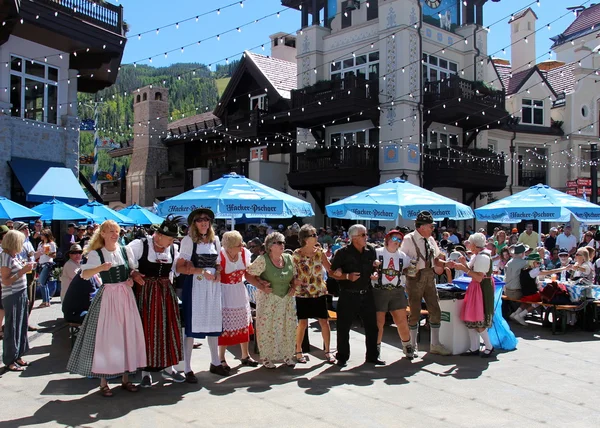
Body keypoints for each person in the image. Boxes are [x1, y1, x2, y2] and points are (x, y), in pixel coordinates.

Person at [67, 220, 147, 397]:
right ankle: (104, 382)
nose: (114, 234)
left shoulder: (125, 251)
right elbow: (85, 274)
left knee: (126, 335)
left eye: (116, 231)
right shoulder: (97, 254)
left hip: (126, 296)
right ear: (102, 233)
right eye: (110, 231)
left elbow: (132, 269)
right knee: (107, 338)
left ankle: (126, 379)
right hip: (108, 297)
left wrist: (133, 276)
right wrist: (100, 268)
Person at [129, 215, 185, 387]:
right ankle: (146, 372)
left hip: (166, 293)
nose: (170, 243)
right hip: (145, 293)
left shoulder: (174, 249)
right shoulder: (140, 245)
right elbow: (126, 262)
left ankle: (169, 367)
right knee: (147, 330)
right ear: (158, 235)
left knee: (168, 329)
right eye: (169, 239)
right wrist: (133, 272)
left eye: (172, 239)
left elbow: (177, 270)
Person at [175, 208, 225, 382]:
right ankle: (188, 368)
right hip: (195, 286)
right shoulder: (189, 241)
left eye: (206, 219)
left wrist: (218, 271)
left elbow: (218, 263)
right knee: (191, 325)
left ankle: (215, 362)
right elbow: (179, 268)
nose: (204, 222)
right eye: (199, 220)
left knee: (213, 322)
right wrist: (201, 271)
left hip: (212, 286)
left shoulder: (215, 240)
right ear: (194, 224)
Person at [329, 224, 383, 367]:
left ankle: (372, 356)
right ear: (354, 238)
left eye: (366, 234)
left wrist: (375, 273)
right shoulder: (342, 253)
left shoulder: (370, 250)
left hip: (366, 293)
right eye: (363, 235)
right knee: (343, 327)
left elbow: (373, 268)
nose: (367, 237)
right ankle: (342, 356)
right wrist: (347, 276)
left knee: (372, 327)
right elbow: (332, 273)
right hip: (348, 294)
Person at [400, 211, 451, 357]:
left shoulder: (430, 239)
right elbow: (401, 260)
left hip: (429, 276)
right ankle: (411, 345)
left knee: (436, 310)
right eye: (430, 226)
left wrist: (446, 262)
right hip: (414, 278)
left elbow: (436, 257)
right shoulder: (409, 239)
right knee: (415, 312)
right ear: (421, 227)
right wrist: (411, 268)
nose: (432, 229)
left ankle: (435, 344)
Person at [245, 232, 299, 368]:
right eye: (279, 242)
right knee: (267, 328)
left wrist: (293, 286)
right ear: (270, 246)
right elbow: (248, 274)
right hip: (268, 300)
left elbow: (295, 276)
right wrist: (260, 286)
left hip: (286, 299)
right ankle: (267, 358)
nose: (282, 245)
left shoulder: (289, 258)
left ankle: (288, 356)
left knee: (288, 327)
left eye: (283, 242)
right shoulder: (263, 259)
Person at [292, 225, 335, 365]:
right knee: (302, 322)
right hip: (303, 293)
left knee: (324, 321)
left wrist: (341, 271)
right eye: (313, 234)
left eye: (316, 234)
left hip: (318, 292)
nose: (316, 236)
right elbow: (291, 273)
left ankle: (328, 351)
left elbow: (330, 269)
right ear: (305, 239)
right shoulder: (296, 254)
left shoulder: (320, 253)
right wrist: (294, 282)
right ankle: (298, 350)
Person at [448, 233, 495, 357]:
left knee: (478, 319)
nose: (468, 245)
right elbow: (473, 271)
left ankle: (489, 346)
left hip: (481, 288)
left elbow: (479, 277)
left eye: (470, 243)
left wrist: (464, 269)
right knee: (471, 318)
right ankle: (474, 347)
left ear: (475, 245)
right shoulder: (478, 255)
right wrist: (464, 263)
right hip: (476, 287)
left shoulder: (482, 257)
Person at [217, 231, 258, 370]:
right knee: (224, 327)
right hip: (225, 292)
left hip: (239, 291)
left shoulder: (244, 253)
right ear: (229, 246)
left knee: (243, 323)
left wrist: (260, 285)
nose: (242, 246)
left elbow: (248, 275)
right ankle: (221, 357)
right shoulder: (220, 254)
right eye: (238, 244)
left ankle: (245, 355)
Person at [371, 230, 414, 360]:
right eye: (394, 238)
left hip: (397, 291)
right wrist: (372, 270)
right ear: (387, 239)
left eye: (399, 240)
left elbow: (412, 271)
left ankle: (407, 346)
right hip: (379, 291)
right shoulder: (377, 253)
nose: (397, 242)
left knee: (401, 320)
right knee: (379, 322)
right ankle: (375, 349)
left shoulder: (403, 256)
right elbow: (367, 267)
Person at [1, 230, 36, 371]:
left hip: (20, 293)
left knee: (21, 325)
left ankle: (18, 355)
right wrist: (22, 271)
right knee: (12, 327)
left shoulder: (13, 256)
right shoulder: (5, 257)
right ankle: (10, 359)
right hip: (11, 295)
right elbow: (6, 280)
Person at [13, 222, 37, 329]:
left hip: (31, 272)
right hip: (24, 274)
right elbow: (17, 260)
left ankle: (25, 321)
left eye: (27, 227)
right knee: (26, 299)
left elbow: (32, 255)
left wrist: (39, 255)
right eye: (24, 228)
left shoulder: (28, 242)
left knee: (31, 300)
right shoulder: (17, 243)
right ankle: (21, 323)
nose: (27, 230)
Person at [35, 229, 57, 308]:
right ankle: (46, 301)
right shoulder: (40, 244)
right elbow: (38, 254)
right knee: (44, 283)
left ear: (46, 235)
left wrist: (47, 253)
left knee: (41, 282)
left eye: (42, 234)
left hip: (48, 264)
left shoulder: (51, 244)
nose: (41, 236)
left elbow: (54, 255)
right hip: (40, 264)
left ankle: (45, 301)